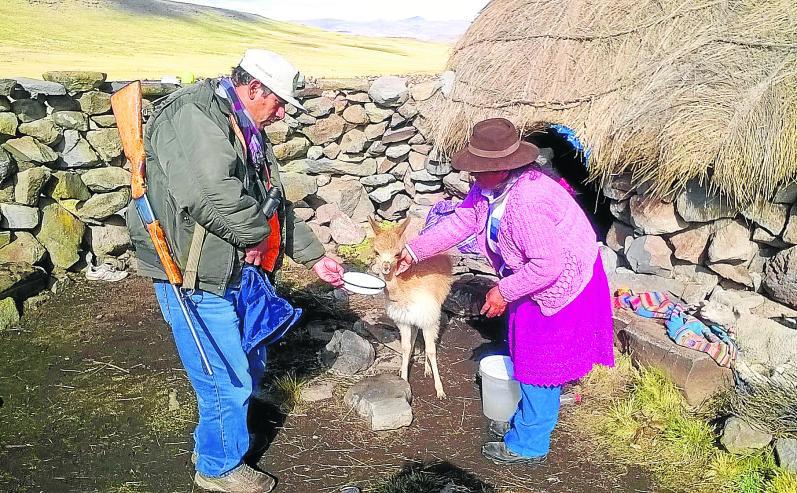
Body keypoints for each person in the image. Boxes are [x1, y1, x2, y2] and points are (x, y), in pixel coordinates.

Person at [127, 49, 344, 492]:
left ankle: (220, 441)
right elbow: (214, 195)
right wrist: (256, 237)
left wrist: (312, 255)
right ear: (254, 87)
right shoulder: (193, 116)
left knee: (244, 361)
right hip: (192, 274)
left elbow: (270, 202)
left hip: (233, 270)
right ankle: (217, 468)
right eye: (279, 103)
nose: (282, 114)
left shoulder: (242, 126)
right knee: (223, 377)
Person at [395, 118, 614, 465]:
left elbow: (547, 266)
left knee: (541, 363)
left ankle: (529, 444)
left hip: (562, 285)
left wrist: (503, 291)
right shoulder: (490, 189)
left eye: (479, 168)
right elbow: (462, 220)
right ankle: (528, 416)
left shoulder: (528, 202)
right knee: (524, 348)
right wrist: (415, 250)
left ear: (503, 166)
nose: (472, 174)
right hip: (531, 277)